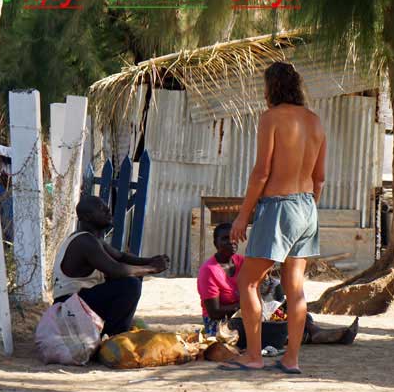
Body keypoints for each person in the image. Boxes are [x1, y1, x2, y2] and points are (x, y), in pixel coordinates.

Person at [226, 61, 326, 375]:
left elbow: (261, 172)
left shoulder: (271, 118)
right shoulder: (315, 122)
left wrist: (243, 216)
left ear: (271, 88)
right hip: (307, 207)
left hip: (279, 206)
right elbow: (319, 178)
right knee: (294, 287)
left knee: (248, 281)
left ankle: (254, 356)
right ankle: (291, 360)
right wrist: (306, 210)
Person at [199, 223, 359, 344]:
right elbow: (214, 312)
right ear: (215, 243)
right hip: (220, 323)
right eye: (225, 239)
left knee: (289, 307)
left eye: (233, 237)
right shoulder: (209, 271)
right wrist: (245, 306)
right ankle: (310, 335)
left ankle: (313, 331)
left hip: (244, 313)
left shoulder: (240, 261)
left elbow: (259, 285)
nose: (231, 242)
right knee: (270, 329)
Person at [51, 195, 169, 337]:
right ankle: (113, 337)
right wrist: (152, 268)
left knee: (130, 280)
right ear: (87, 217)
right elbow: (115, 269)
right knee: (130, 284)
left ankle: (107, 334)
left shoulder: (94, 240)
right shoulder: (85, 241)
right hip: (69, 308)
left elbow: (121, 257)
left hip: (76, 305)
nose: (108, 210)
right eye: (101, 208)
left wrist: (150, 260)